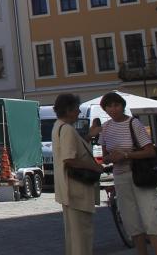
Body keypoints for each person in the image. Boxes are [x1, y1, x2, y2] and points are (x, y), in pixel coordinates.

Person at [98, 92, 157, 255]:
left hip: (140, 175)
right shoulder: (106, 128)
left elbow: (150, 151)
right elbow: (105, 156)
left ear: (122, 106)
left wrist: (126, 155)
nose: (113, 109)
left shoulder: (134, 123)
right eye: (109, 106)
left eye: (116, 105)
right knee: (131, 221)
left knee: (151, 218)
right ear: (105, 109)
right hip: (120, 176)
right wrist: (110, 158)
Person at [52, 94, 100, 255]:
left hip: (67, 189)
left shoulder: (58, 126)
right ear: (69, 110)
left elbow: (70, 148)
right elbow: (69, 159)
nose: (79, 112)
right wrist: (94, 167)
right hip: (76, 189)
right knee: (81, 236)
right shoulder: (67, 129)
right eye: (76, 109)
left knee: (74, 235)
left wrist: (88, 136)